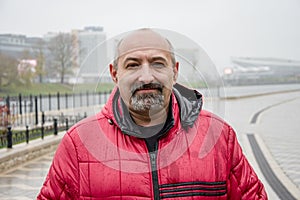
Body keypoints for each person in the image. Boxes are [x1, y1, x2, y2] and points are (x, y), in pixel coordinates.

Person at [38, 28, 268, 199]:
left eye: (158, 63)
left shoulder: (219, 137)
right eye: (133, 65)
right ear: (115, 74)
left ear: (174, 71)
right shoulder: (79, 143)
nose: (146, 77)